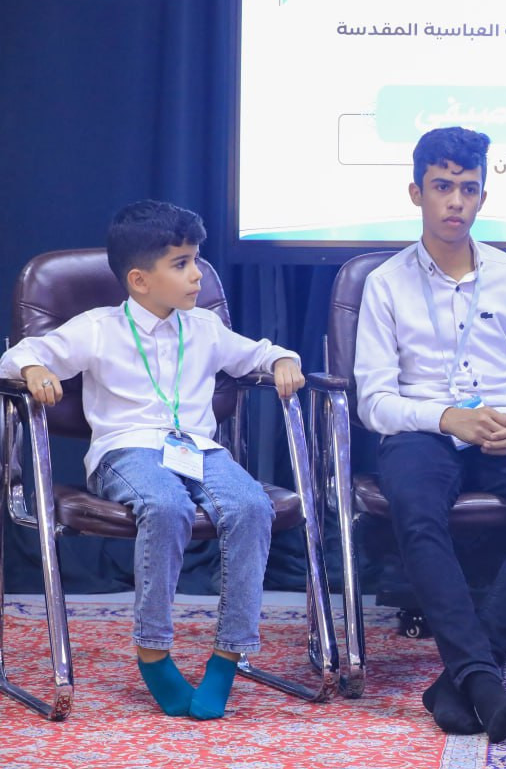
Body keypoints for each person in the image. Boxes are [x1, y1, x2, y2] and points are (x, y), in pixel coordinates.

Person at [0, 200, 305, 719]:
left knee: (251, 506)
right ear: (139, 280)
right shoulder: (99, 327)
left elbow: (257, 352)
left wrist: (282, 359)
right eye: (181, 264)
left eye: (196, 260)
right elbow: (19, 354)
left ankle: (228, 657)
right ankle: (153, 651)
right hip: (127, 449)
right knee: (165, 506)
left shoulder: (203, 327)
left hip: (198, 450)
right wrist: (34, 371)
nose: (198, 275)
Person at [354, 126, 506, 743]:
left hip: (500, 428)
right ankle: (482, 677)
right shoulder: (386, 283)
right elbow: (374, 400)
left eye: (468, 188)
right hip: (421, 431)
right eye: (442, 187)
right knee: (415, 507)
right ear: (416, 192)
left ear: (483, 196)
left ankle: (466, 675)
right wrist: (444, 417)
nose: (455, 201)